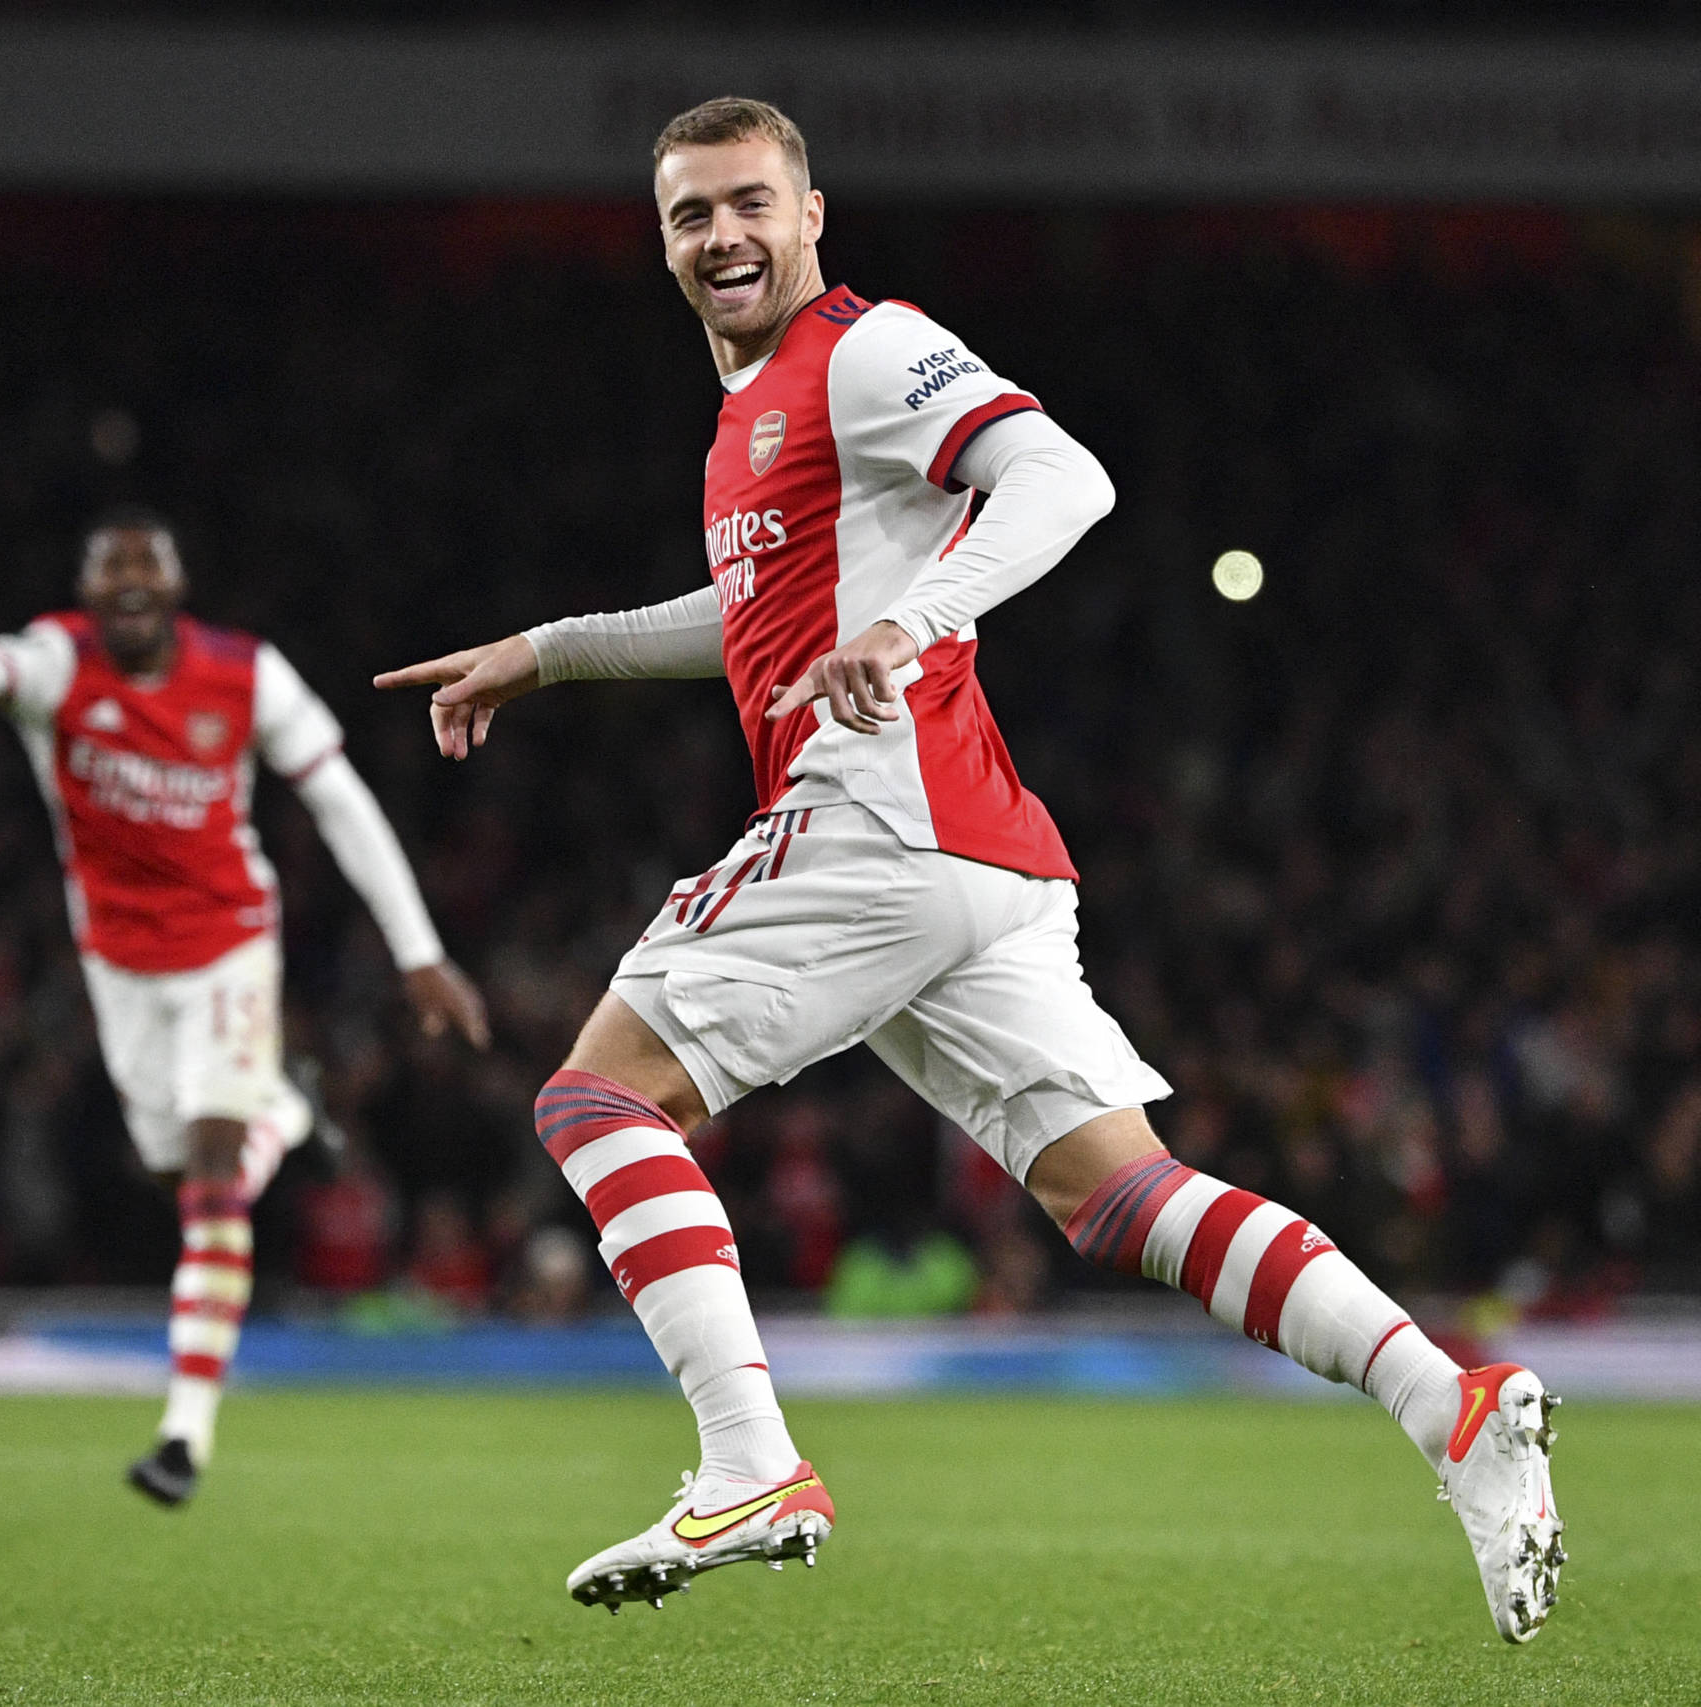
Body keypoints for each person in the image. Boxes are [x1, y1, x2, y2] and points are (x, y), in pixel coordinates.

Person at [377, 98, 1562, 1639]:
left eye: (749, 202)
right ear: (662, 240)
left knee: (598, 1098)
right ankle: (1451, 1405)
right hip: (977, 851)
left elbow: (1064, 478)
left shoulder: (865, 351)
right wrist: (547, 652)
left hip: (883, 814)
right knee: (1120, 1192)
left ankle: (748, 1463)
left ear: (812, 214)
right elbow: (752, 620)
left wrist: (910, 622)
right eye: (690, 214)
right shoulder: (752, 414)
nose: (723, 235)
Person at [0, 508, 489, 1505]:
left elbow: (340, 800)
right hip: (120, 968)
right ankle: (285, 1115)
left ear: (175, 584)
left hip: (228, 950)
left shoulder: (245, 674)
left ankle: (182, 1435)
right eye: (109, 568)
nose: (128, 581)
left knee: (208, 1183)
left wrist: (419, 953)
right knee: (181, 1176)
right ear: (87, 590)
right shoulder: (59, 664)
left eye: (145, 565)